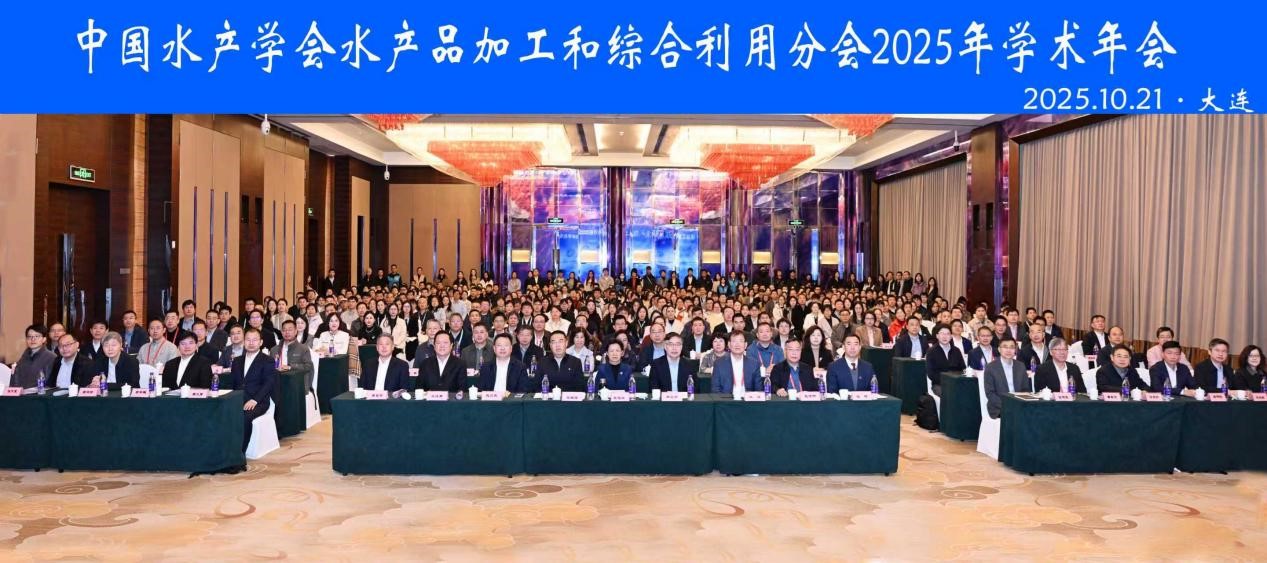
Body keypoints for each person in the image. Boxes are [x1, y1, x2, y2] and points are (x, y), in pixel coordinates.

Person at [232, 328, 278, 453]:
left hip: (258, 401)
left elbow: (268, 383)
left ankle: (239, 453)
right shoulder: (237, 361)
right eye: (248, 340)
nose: (251, 343)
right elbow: (234, 384)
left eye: (255, 340)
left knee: (245, 416)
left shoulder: (268, 360)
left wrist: (255, 400)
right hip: (238, 399)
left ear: (261, 342)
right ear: (244, 342)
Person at [983, 340, 1031, 419]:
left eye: (1012, 347)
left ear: (1015, 350)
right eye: (1005, 347)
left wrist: (1019, 404)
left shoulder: (1020, 366)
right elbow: (990, 393)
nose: (1008, 350)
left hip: (1018, 405)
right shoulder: (990, 367)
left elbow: (1025, 389)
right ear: (999, 349)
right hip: (999, 407)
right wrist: (1008, 405)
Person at [272, 320, 315, 392]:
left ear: (295, 331)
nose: (287, 332)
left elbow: (308, 367)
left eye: (290, 330)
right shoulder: (274, 349)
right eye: (284, 330)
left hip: (296, 385)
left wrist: (290, 367)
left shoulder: (303, 349)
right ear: (281, 332)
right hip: (278, 384)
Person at [924, 324, 966, 394]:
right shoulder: (931, 351)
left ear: (951, 336)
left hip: (956, 382)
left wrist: (955, 380)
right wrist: (947, 381)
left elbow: (962, 368)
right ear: (937, 336)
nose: (945, 336)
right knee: (949, 394)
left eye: (947, 334)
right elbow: (931, 373)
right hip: (939, 384)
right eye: (942, 333)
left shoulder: (956, 350)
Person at [11, 324, 57, 389]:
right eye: (29, 336)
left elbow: (49, 382)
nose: (33, 339)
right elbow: (16, 378)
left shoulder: (51, 357)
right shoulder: (25, 355)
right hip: (20, 393)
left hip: (39, 394)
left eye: (36, 336)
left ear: (44, 339)